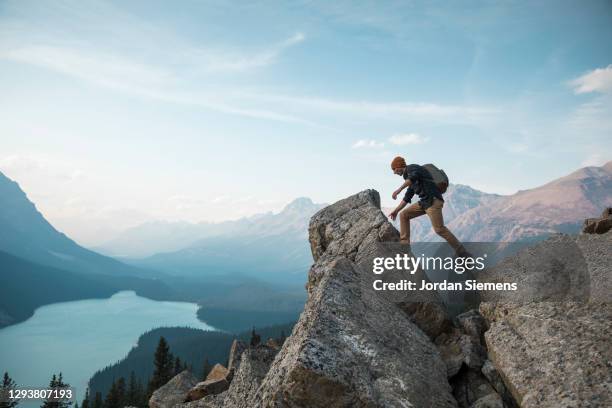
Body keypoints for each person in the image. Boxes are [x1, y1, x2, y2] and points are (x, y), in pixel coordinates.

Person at [387, 156, 470, 257]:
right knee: (404, 214)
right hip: (424, 202)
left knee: (439, 229)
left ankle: (462, 252)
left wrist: (398, 190)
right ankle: (404, 246)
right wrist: (396, 211)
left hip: (433, 201)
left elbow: (412, 178)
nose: (394, 172)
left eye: (394, 169)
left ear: (399, 166)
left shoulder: (412, 168)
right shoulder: (408, 178)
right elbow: (407, 197)